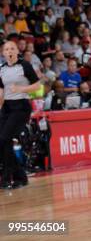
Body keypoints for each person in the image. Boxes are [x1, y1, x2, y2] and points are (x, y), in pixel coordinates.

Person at [0, 40, 41, 188]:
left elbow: (38, 85)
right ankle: (19, 177)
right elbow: (1, 90)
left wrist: (22, 89)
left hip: (21, 106)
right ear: (3, 53)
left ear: (17, 51)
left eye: (12, 49)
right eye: (6, 49)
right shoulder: (1, 69)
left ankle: (7, 178)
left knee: (4, 139)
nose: (9, 51)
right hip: (6, 107)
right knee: (3, 142)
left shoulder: (25, 65)